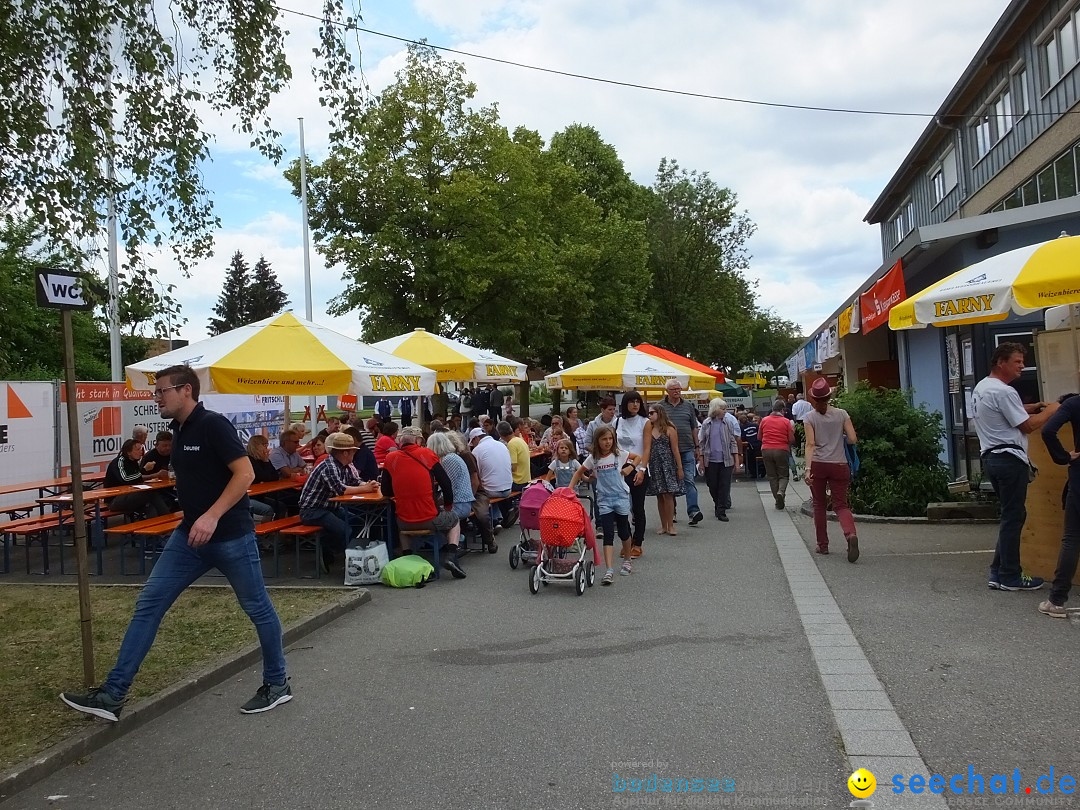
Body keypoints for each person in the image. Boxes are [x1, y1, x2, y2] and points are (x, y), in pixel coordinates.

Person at [61, 364, 291, 720]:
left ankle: (277, 684)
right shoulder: (177, 430)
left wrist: (212, 515)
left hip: (230, 537)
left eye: (161, 391)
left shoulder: (213, 424)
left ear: (186, 391)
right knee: (149, 603)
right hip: (189, 538)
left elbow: (244, 473)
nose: (155, 398)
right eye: (155, 392)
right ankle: (113, 694)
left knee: (257, 608)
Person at [972, 342, 1059, 590]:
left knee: (1012, 515)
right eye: (1017, 362)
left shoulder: (983, 387)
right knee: (1013, 517)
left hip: (990, 458)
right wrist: (1054, 410)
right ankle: (1010, 575)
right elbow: (1028, 426)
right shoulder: (1004, 392)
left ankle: (997, 572)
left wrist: (1029, 407)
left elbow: (1004, 412)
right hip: (1009, 459)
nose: (1022, 366)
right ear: (1001, 362)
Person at [381, 427, 465, 578]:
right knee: (453, 519)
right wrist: (447, 506)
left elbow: (386, 491)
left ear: (400, 441)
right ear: (418, 440)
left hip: (404, 521)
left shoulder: (390, 458)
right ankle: (451, 554)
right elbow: (446, 484)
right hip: (429, 518)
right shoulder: (427, 454)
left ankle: (407, 559)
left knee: (402, 526)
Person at [297, 432, 380, 571]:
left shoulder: (345, 466)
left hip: (331, 508)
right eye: (353, 451)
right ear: (345, 453)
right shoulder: (328, 466)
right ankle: (340, 555)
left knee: (358, 521)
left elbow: (356, 482)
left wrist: (368, 485)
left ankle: (336, 549)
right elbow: (341, 490)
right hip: (312, 511)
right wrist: (366, 488)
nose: (355, 454)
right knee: (344, 529)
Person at [569, 425, 638, 585]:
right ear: (597, 441)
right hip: (604, 500)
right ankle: (609, 570)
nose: (607, 442)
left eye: (610, 439)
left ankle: (627, 560)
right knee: (607, 533)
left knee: (623, 530)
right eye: (603, 439)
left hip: (620, 497)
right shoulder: (594, 458)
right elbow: (579, 472)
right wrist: (570, 489)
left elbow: (637, 457)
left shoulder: (619, 455)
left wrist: (630, 467)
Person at [803, 377, 860, 562]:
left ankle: (823, 545)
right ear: (829, 396)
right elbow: (852, 439)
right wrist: (839, 437)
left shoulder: (809, 418)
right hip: (839, 464)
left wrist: (807, 468)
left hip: (818, 464)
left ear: (813, 399)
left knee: (819, 505)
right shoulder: (842, 414)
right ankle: (850, 534)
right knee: (841, 505)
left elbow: (810, 444)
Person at [1038, 390, 1080, 617]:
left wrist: (1064, 456)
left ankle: (1056, 600)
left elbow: (1048, 430)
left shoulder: (1074, 404)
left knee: (1072, 538)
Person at [425, 431, 475, 578]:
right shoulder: (453, 458)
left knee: (433, 516)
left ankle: (451, 547)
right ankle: (452, 546)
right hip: (462, 501)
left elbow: (449, 488)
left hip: (460, 503)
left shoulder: (448, 460)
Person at [655, 380, 704, 526]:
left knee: (689, 479)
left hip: (687, 448)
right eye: (674, 389)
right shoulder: (660, 407)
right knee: (671, 483)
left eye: (679, 389)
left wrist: (697, 447)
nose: (677, 391)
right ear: (667, 391)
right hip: (667, 451)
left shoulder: (688, 406)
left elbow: (694, 427)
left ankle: (693, 511)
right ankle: (672, 512)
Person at [616, 391, 650, 557]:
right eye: (632, 401)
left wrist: (642, 469)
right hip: (621, 468)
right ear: (625, 403)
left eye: (638, 401)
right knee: (621, 507)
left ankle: (638, 542)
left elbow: (647, 448)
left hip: (639, 468)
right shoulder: (618, 421)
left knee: (638, 508)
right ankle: (626, 540)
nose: (635, 404)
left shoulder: (645, 422)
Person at [641, 405, 683, 535]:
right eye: (649, 413)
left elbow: (675, 449)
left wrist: (680, 467)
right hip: (654, 464)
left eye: (652, 413)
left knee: (668, 494)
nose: (650, 415)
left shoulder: (670, 429)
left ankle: (671, 525)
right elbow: (646, 448)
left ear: (659, 413)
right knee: (659, 495)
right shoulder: (649, 429)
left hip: (668, 464)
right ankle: (663, 525)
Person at [105, 439, 171, 519]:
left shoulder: (134, 462)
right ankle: (167, 518)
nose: (141, 451)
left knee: (151, 505)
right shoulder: (119, 462)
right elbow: (126, 479)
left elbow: (137, 478)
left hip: (130, 493)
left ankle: (158, 526)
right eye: (138, 449)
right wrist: (144, 470)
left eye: (141, 449)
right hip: (115, 499)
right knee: (150, 493)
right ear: (129, 452)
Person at [698, 399, 741, 522]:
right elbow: (702, 443)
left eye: (725, 409)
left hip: (726, 460)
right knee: (712, 485)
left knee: (724, 485)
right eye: (723, 409)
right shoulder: (707, 423)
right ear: (715, 409)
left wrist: (737, 461)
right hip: (710, 460)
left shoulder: (727, 423)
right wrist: (701, 461)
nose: (725, 411)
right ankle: (717, 504)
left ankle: (721, 510)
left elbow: (733, 442)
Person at [470, 426, 512, 538]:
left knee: (477, 493)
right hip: (508, 488)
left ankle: (486, 525)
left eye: (472, 442)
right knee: (492, 483)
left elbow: (475, 474)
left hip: (492, 491)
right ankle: (497, 519)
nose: (472, 445)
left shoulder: (477, 450)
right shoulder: (501, 445)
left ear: (476, 439)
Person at [760, 400, 796, 510]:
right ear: (782, 410)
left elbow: (759, 437)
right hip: (781, 450)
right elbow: (791, 439)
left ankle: (777, 499)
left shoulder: (764, 420)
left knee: (772, 476)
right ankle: (781, 492)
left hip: (766, 449)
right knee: (783, 475)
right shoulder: (786, 422)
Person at [246, 435, 290, 520]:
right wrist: (266, 461)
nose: (267, 448)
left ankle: (277, 531)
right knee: (268, 510)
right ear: (257, 446)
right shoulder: (249, 460)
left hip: (259, 496)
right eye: (265, 446)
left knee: (281, 506)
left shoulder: (264, 460)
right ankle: (264, 533)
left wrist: (266, 461)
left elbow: (275, 476)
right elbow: (263, 476)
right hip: (248, 497)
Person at [498, 420, 531, 495]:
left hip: (518, 482)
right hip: (526, 479)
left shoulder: (511, 444)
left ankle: (504, 506)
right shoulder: (519, 440)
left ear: (500, 435)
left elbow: (513, 467)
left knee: (496, 487)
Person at [741, 413, 761, 480]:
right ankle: (761, 470)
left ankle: (753, 473)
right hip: (759, 446)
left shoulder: (742, 428)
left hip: (751, 448)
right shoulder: (755, 425)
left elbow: (743, 438)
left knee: (747, 459)